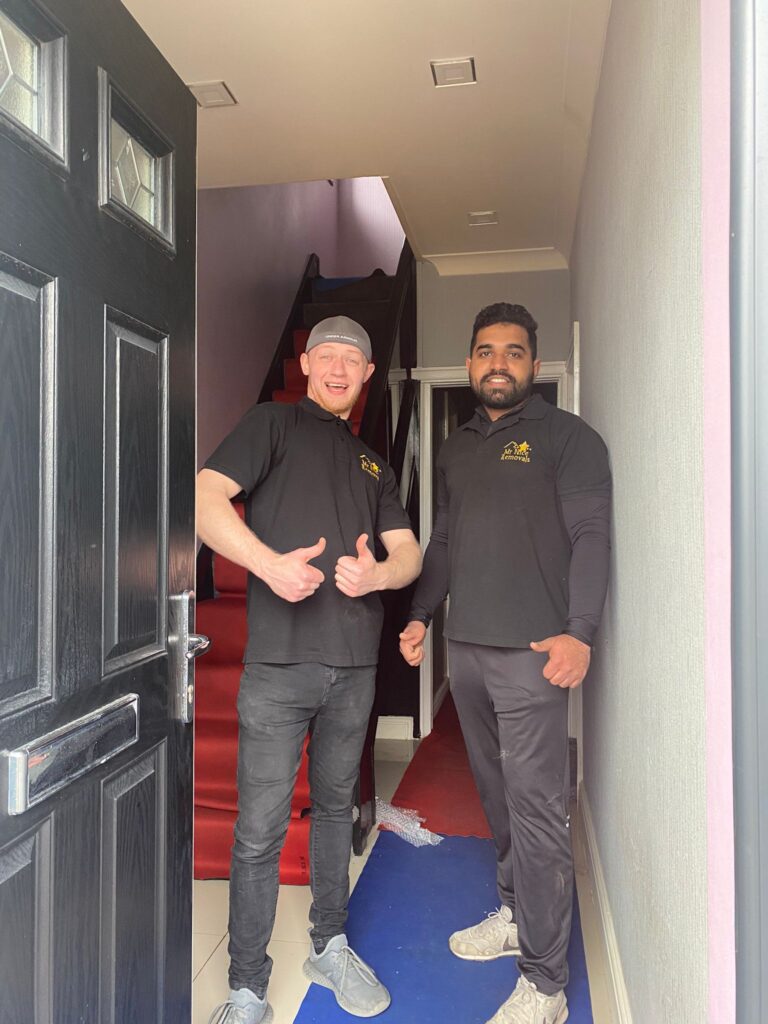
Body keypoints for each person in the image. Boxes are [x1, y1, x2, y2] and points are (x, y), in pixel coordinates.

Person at [199, 315, 421, 1024]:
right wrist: (265, 564)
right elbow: (205, 497)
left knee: (334, 812)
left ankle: (329, 945)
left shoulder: (375, 465)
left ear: (363, 376)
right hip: (279, 669)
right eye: (325, 354)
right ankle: (246, 989)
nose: (337, 366)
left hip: (354, 671)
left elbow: (409, 552)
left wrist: (379, 574)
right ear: (304, 362)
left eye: (351, 359)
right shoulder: (271, 424)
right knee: (260, 829)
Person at [399, 303, 611, 1024]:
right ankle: (519, 915)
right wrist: (422, 613)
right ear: (469, 363)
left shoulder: (570, 440)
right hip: (469, 656)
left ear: (534, 364)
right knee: (498, 799)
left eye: (514, 352)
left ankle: (545, 985)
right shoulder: (456, 450)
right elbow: (447, 544)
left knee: (539, 811)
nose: (499, 363)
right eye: (486, 350)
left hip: (534, 657)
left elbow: (589, 536)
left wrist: (580, 631)